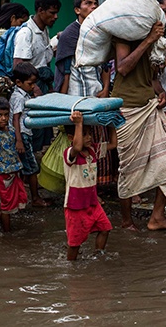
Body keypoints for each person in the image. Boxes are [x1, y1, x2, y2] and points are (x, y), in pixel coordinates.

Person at [111, 20, 166, 231]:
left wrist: (160, 91)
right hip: (127, 109)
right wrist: (149, 40)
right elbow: (123, 67)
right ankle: (127, 222)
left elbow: (151, 76)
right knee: (128, 168)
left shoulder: (155, 41)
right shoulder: (124, 36)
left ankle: (157, 217)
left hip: (149, 106)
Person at [63, 111, 115, 260]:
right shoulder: (69, 153)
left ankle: (97, 256)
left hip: (92, 202)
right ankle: (71, 267)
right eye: (84, 134)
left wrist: (111, 123)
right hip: (75, 206)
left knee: (105, 228)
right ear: (71, 138)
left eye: (89, 133)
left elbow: (113, 144)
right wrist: (78, 123)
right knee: (74, 243)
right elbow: (77, 147)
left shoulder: (92, 150)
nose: (89, 137)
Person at [13, 0, 60, 152]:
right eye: (52, 13)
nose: (56, 17)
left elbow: (43, 59)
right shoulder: (26, 33)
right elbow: (18, 66)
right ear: (40, 11)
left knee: (44, 130)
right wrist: (34, 88)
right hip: (32, 90)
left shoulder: (44, 31)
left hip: (43, 85)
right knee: (34, 131)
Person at [0, 96, 28, 232]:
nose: (3, 118)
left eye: (5, 115)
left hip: (14, 171)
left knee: (20, 198)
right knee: (7, 204)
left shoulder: (10, 130)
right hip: (2, 175)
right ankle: (7, 231)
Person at [9, 62, 48, 208]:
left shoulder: (23, 94)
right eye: (30, 83)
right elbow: (15, 119)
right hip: (22, 135)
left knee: (26, 166)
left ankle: (24, 196)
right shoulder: (18, 97)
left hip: (24, 134)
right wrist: (19, 140)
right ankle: (35, 198)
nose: (32, 87)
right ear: (18, 82)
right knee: (32, 168)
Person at [55, 0, 99, 94]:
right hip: (77, 91)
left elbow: (105, 64)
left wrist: (105, 89)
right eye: (88, 3)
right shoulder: (69, 34)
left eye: (95, 4)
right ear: (77, 10)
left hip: (97, 90)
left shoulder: (99, 32)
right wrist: (62, 98)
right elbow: (65, 70)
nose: (94, 7)